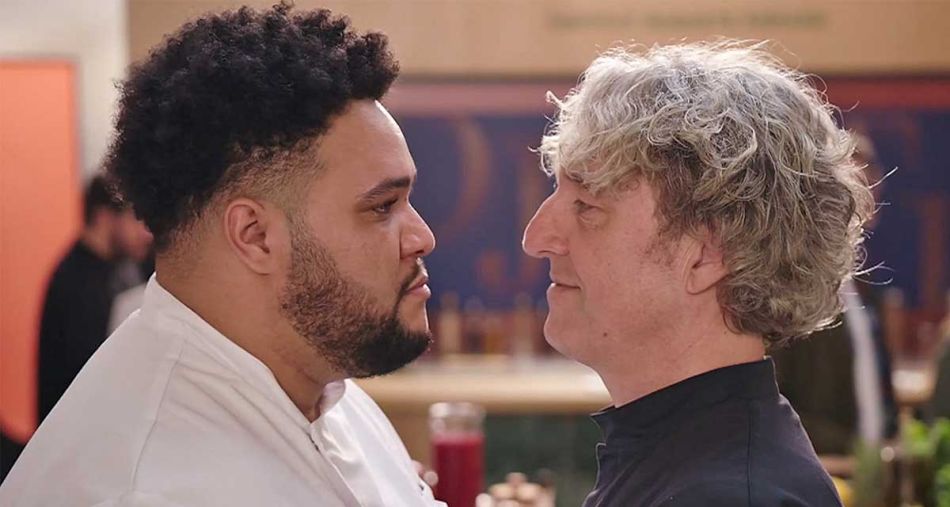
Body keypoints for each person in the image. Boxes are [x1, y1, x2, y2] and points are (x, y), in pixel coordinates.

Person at [0, 4, 442, 506]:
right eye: (382, 207)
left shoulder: (326, 396)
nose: (422, 237)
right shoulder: (149, 489)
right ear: (255, 235)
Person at [522, 42, 874, 506]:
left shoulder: (729, 495)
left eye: (587, 206)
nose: (536, 237)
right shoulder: (684, 457)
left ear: (706, 255)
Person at [773, 133, 899, 455]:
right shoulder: (794, 288)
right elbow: (777, 399)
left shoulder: (867, 287)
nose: (870, 186)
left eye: (873, 174)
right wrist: (849, 450)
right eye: (857, 175)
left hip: (870, 471)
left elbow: (879, 389)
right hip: (822, 467)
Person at [37, 174, 153, 423]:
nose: (146, 233)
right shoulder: (76, 286)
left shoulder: (120, 267)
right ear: (103, 217)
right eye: (137, 217)